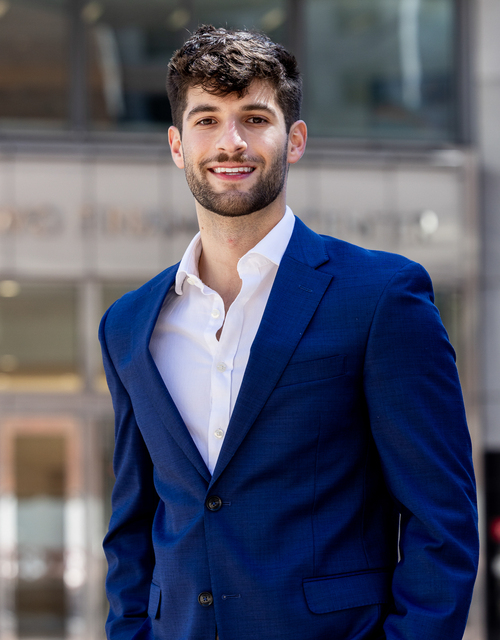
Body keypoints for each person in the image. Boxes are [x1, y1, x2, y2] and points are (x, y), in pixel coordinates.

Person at [99, 25, 479, 640]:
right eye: (206, 120)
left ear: (293, 138)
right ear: (175, 144)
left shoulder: (382, 298)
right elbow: (133, 522)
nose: (231, 142)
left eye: (254, 117)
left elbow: (443, 520)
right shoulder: (129, 325)